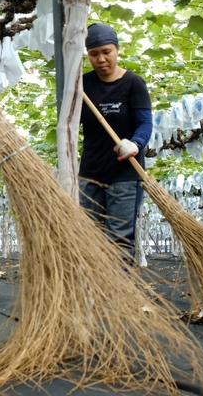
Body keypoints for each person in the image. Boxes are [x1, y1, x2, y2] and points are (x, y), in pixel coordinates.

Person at [78, 23, 152, 265]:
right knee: (89, 236)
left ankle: (120, 296)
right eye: (94, 53)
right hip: (90, 173)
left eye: (106, 52)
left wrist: (135, 143)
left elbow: (145, 123)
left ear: (117, 50)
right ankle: (94, 293)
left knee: (118, 238)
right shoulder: (82, 85)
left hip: (125, 176)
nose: (101, 59)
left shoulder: (133, 83)